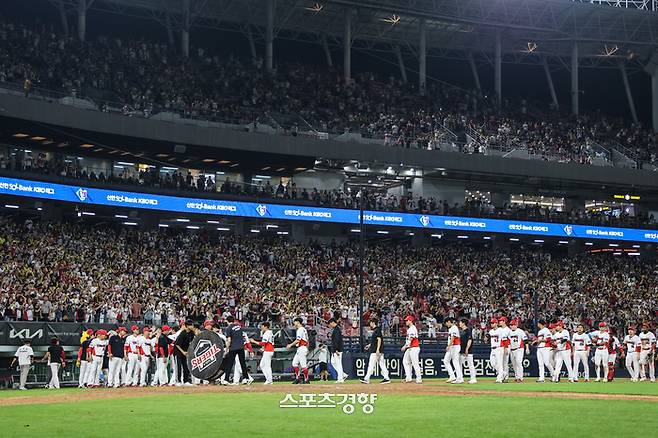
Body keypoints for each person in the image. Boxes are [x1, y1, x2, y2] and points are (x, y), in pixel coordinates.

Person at [223, 316, 253, 386]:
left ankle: (226, 380)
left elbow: (229, 340)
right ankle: (245, 378)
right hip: (241, 347)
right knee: (243, 363)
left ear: (227, 321)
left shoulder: (228, 328)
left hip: (233, 348)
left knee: (229, 364)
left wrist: (227, 349)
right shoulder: (239, 327)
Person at [361, 318, 390, 384]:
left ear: (373, 323)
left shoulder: (377, 330)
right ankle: (387, 378)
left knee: (371, 365)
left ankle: (366, 378)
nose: (370, 324)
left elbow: (379, 340)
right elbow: (375, 341)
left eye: (370, 322)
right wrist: (369, 345)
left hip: (375, 351)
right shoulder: (376, 330)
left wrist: (377, 349)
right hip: (377, 350)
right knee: (382, 365)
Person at [286, 317, 310, 384]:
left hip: (302, 348)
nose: (294, 323)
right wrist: (307, 348)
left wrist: (290, 345)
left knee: (303, 365)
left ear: (298, 322)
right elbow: (307, 340)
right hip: (302, 347)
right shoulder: (304, 329)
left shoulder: (300, 329)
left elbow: (298, 340)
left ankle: (306, 379)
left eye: (295, 322)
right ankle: (298, 378)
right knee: (294, 363)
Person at [401, 315, 422, 384]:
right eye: (406, 320)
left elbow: (411, 338)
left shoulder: (413, 328)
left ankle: (419, 378)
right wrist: (405, 345)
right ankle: (408, 377)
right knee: (405, 361)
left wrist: (405, 346)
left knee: (415, 363)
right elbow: (408, 340)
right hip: (410, 348)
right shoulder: (410, 329)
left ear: (410, 321)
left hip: (414, 348)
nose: (406, 322)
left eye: (407, 320)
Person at [443, 317, 463, 384]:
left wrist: (449, 346)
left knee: (455, 362)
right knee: (446, 360)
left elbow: (453, 337)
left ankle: (459, 378)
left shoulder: (454, 327)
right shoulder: (451, 328)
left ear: (449, 321)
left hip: (455, 346)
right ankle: (452, 376)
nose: (446, 325)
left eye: (446, 323)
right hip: (452, 346)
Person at [173, 320, 194, 386]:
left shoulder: (191, 333)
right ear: (187, 326)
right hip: (178, 352)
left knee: (186, 366)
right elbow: (177, 344)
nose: (192, 326)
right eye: (191, 325)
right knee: (178, 367)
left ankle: (186, 381)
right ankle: (178, 381)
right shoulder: (183, 333)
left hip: (185, 352)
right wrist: (183, 352)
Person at [328, 318, 347, 383]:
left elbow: (337, 340)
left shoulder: (337, 330)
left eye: (330, 324)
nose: (330, 325)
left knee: (338, 364)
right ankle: (343, 374)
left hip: (337, 350)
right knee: (333, 362)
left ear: (333, 322)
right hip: (335, 349)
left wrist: (336, 349)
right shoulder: (335, 329)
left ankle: (340, 379)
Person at [458, 318, 476, 384]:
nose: (459, 323)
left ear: (463, 323)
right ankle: (460, 378)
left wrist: (467, 349)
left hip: (468, 351)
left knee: (470, 364)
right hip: (461, 350)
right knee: (459, 364)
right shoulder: (461, 331)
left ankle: (473, 378)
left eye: (460, 322)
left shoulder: (468, 330)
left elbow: (470, 340)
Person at [488, 317, 504, 383]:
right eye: (491, 323)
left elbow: (504, 339)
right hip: (493, 349)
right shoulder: (490, 331)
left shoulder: (500, 330)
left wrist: (505, 348)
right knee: (493, 363)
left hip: (499, 348)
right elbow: (488, 338)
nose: (491, 324)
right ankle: (503, 373)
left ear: (496, 323)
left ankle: (499, 378)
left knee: (500, 363)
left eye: (493, 323)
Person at [497, 317, 511, 382]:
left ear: (504, 321)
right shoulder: (499, 329)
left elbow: (507, 340)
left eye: (501, 321)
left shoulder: (508, 330)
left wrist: (506, 348)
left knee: (505, 362)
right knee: (500, 363)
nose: (499, 322)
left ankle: (506, 377)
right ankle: (502, 375)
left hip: (506, 346)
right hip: (500, 347)